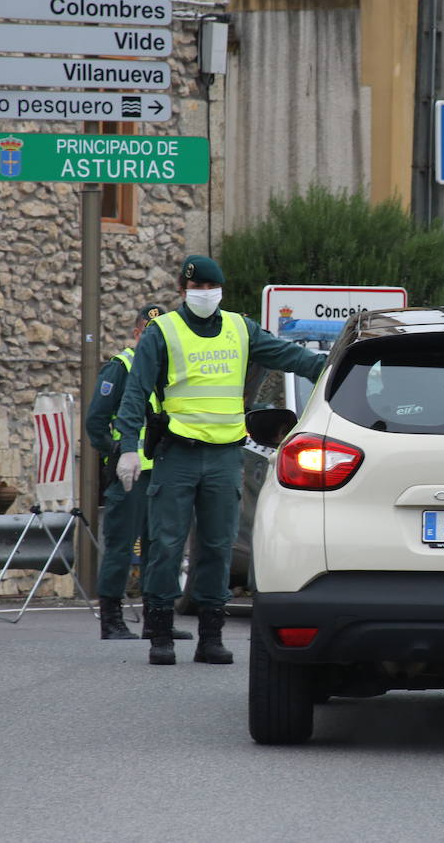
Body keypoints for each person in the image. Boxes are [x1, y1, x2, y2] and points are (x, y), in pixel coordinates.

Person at [113, 255, 326, 665]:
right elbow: (135, 392)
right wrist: (126, 448)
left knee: (217, 546)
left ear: (220, 290)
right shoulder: (163, 331)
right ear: (182, 291)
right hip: (177, 453)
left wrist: (333, 365)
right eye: (195, 289)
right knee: (167, 544)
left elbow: (290, 357)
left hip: (226, 456)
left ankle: (211, 635)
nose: (203, 294)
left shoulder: (240, 329)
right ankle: (160, 632)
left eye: (208, 288)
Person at [83, 304, 193, 641]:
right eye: (147, 332)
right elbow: (95, 422)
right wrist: (115, 453)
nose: (151, 339)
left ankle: (156, 619)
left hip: (161, 474)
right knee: (120, 547)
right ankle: (112, 620)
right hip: (130, 477)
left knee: (161, 548)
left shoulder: (167, 368)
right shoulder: (122, 366)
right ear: (136, 334)